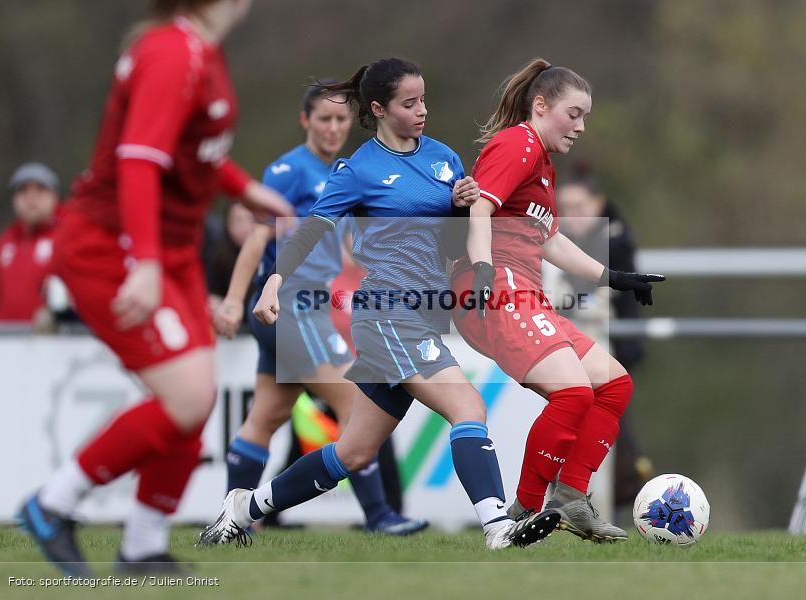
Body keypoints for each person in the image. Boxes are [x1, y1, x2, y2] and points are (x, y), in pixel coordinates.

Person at [198, 57, 561, 550]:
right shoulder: (359, 170)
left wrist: (460, 206)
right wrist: (275, 281)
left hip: (422, 317)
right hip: (388, 315)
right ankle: (498, 528)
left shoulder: (443, 158)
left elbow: (454, 242)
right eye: (409, 103)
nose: (422, 111)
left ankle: (242, 507)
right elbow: (312, 229)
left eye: (424, 100)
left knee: (352, 451)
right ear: (379, 108)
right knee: (468, 405)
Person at [16, 0, 292, 576]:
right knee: (188, 398)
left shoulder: (198, 50)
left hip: (168, 251)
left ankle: (141, 546)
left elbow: (190, 154)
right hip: (112, 247)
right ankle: (52, 504)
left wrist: (243, 187)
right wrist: (142, 262)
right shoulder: (172, 52)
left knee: (198, 401)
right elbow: (138, 161)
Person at [451, 58, 664, 542]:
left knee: (614, 385)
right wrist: (483, 271)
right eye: (574, 113)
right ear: (542, 105)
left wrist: (614, 276)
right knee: (572, 392)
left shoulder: (542, 163)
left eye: (585, 116)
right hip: (496, 289)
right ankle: (523, 509)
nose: (581, 126)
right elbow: (480, 209)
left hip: (526, 293)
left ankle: (570, 495)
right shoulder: (518, 142)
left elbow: (549, 240)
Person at [211, 82, 426, 535]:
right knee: (356, 403)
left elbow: (343, 246)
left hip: (313, 306)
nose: (333, 128)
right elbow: (256, 237)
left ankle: (234, 520)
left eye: (341, 120)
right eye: (324, 119)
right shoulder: (287, 170)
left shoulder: (349, 171)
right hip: (288, 305)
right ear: (305, 121)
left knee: (265, 416)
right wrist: (233, 301)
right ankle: (380, 516)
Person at [556, 170, 654, 506]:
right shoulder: (550, 239)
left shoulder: (614, 240)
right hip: (563, 351)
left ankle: (613, 501)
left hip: (607, 351)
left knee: (613, 436)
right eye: (564, 207)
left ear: (598, 205)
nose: (571, 216)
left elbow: (596, 299)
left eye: (579, 206)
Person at [0, 163, 62, 327]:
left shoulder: (67, 237)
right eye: (23, 191)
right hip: (6, 339)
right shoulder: (5, 241)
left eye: (39, 191)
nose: (30, 199)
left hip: (56, 341)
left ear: (54, 196)